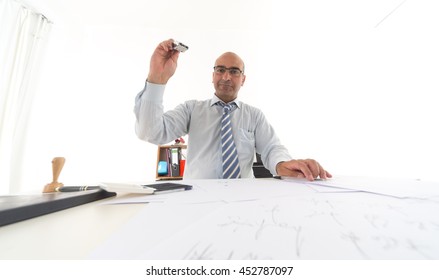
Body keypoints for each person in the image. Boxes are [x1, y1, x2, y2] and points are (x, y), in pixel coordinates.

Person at [134, 39, 332, 181]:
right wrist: (157, 78)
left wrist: (282, 165)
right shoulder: (191, 109)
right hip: (197, 199)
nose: (226, 76)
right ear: (213, 76)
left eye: (234, 71)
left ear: (243, 79)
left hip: (243, 200)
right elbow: (149, 132)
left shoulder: (254, 115)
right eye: (220, 70)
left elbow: (272, 149)